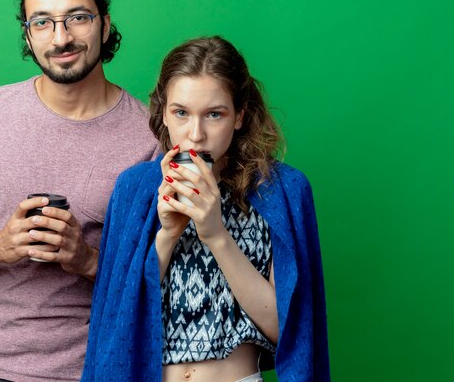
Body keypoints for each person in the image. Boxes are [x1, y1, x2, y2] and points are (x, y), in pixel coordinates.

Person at [0, 0, 159, 382]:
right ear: (27, 36)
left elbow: (161, 277)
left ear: (105, 25)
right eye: (43, 22)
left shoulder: (150, 138)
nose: (61, 37)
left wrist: (84, 258)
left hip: (90, 370)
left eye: (78, 18)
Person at [82, 36, 330, 382]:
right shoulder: (135, 189)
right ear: (163, 114)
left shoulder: (283, 190)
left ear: (240, 115)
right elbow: (116, 321)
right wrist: (168, 234)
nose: (195, 135)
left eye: (214, 114)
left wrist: (215, 234)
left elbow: (289, 329)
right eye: (181, 113)